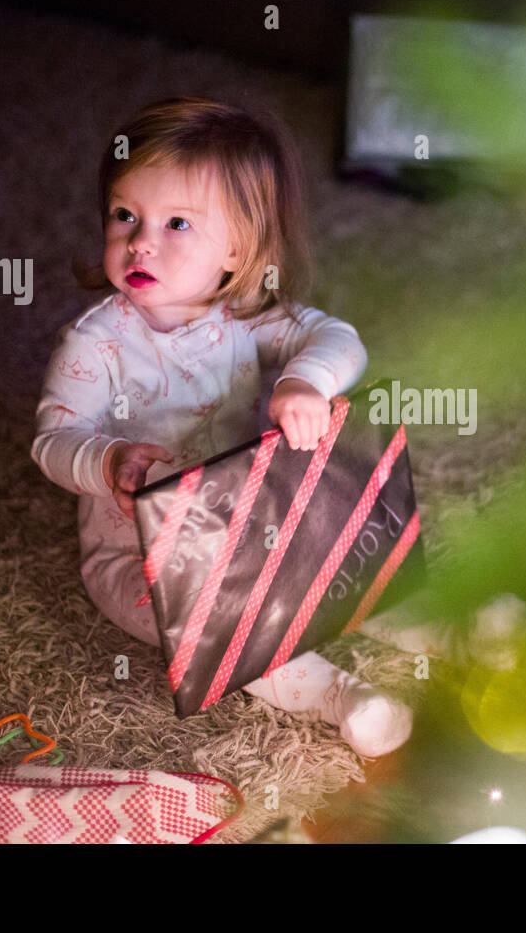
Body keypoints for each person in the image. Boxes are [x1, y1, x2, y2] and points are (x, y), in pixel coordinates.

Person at [31, 97, 413, 757]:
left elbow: (336, 338)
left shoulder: (243, 316)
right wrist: (107, 460)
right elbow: (52, 441)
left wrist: (305, 381)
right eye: (125, 216)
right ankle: (337, 696)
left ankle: (429, 628)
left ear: (236, 252)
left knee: (343, 538)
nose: (141, 241)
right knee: (220, 626)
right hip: (145, 555)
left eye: (177, 223)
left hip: (255, 511)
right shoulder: (96, 346)